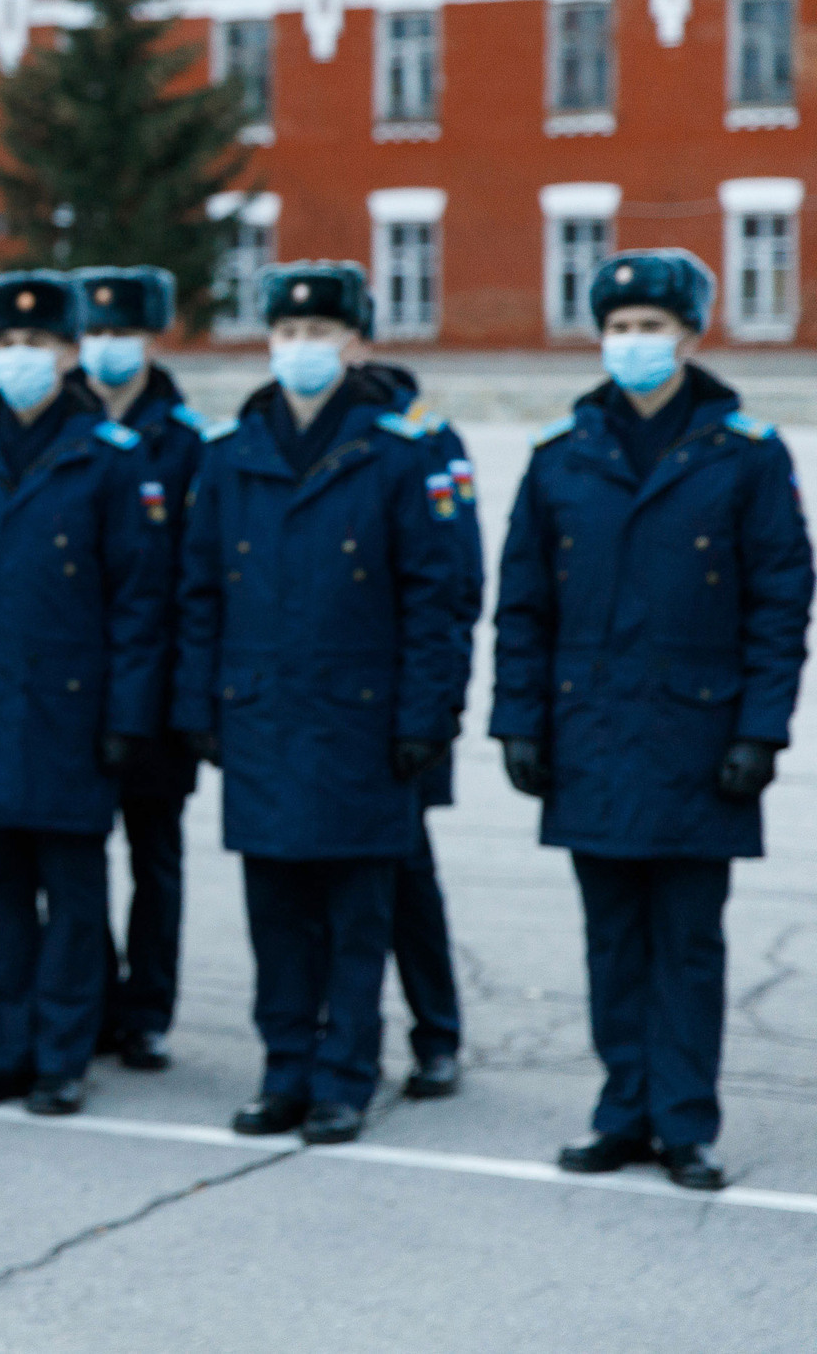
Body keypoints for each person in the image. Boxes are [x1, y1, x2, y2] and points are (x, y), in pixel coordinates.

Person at [492, 249, 812, 1193]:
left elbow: (781, 603)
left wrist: (761, 730)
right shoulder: (561, 455)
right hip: (590, 733)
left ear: (688, 334)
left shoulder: (747, 454)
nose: (632, 340)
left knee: (688, 939)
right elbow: (522, 605)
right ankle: (621, 1109)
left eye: (650, 325)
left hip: (697, 739)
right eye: (619, 325)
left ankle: (685, 1122)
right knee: (612, 937)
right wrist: (518, 722)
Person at [172, 261, 468, 1146]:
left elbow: (439, 599)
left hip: (360, 720)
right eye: (288, 331)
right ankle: (284, 1070)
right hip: (262, 714)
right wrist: (198, 705)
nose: (301, 347)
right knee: (277, 915)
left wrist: (426, 717)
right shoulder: (233, 452)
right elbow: (199, 591)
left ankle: (344, 1076)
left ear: (356, 342)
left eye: (321, 332)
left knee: (356, 916)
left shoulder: (401, 449)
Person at [0, 273, 171, 1116]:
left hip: (69, 713)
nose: (20, 357)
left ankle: (62, 1055)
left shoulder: (109, 455)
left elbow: (138, 600)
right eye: (8, 343)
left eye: (38, 343)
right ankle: (5, 1047)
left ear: (68, 352)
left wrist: (127, 715)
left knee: (74, 894)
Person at [68, 266, 206, 1073]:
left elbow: (197, 578)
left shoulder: (186, 440)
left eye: (121, 330)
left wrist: (185, 700)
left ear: (151, 338)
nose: (105, 346)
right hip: (79, 687)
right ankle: (88, 999)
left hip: (156, 690)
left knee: (155, 859)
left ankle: (148, 1009)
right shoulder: (64, 425)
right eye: (94, 330)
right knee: (77, 856)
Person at [347, 351, 480, 1101]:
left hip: (404, 701)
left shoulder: (423, 435)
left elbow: (456, 578)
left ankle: (437, 1032)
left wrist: (433, 709)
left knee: (405, 873)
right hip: (333, 706)